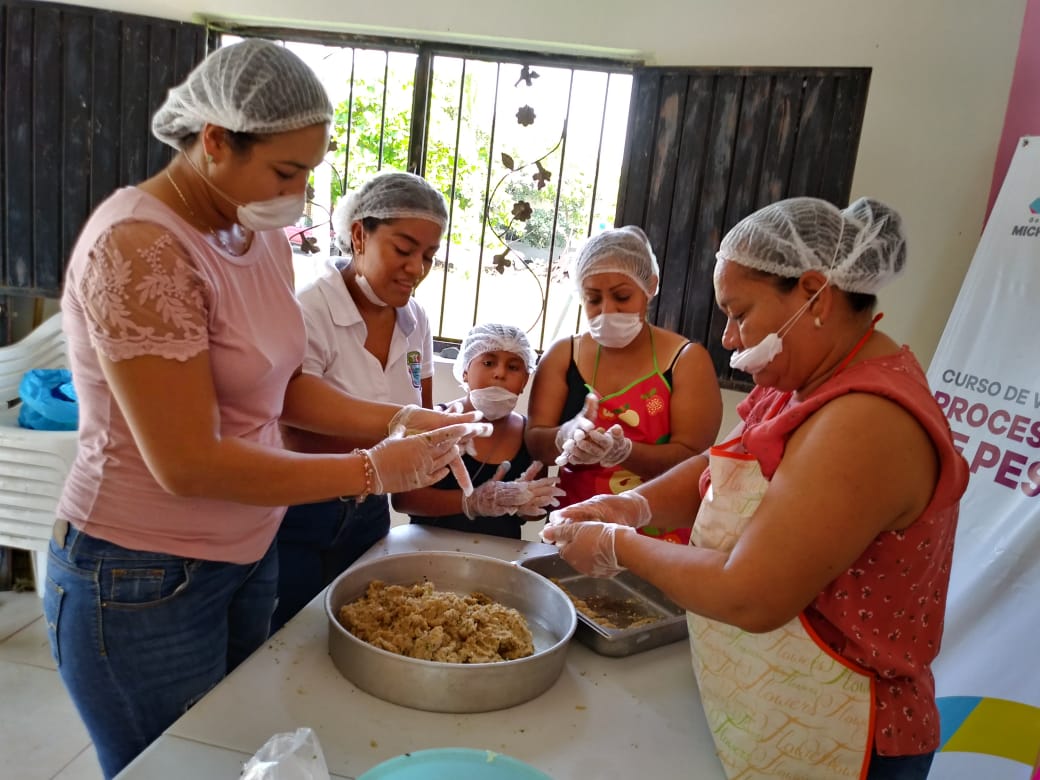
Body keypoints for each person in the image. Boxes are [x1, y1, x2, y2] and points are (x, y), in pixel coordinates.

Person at [45, 40, 487, 779]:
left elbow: (279, 385)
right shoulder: (140, 247)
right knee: (173, 766)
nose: (299, 191)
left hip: (245, 554)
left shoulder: (257, 236)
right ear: (214, 142)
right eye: (286, 171)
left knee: (236, 757)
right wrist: (371, 469)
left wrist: (399, 421)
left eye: (308, 172)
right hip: (140, 575)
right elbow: (186, 463)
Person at [542, 197, 970, 780]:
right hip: (765, 708)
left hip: (846, 733)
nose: (728, 336)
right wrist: (634, 503)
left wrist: (618, 544)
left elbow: (752, 595)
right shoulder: (799, 380)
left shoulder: (866, 421)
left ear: (813, 293)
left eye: (739, 313)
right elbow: (715, 472)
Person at [272, 171, 445, 632]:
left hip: (370, 508)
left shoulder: (415, 320)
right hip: (302, 506)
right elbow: (292, 406)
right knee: (288, 638)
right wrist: (403, 420)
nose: (417, 268)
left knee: (358, 627)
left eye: (429, 255)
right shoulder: (309, 306)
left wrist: (450, 437)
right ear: (358, 235)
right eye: (404, 250)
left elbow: (421, 418)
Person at [525, 225, 723, 542]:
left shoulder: (686, 361)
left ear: (650, 286)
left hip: (660, 538)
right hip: (575, 529)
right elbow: (535, 440)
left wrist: (625, 452)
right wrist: (565, 436)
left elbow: (693, 462)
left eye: (622, 296)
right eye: (592, 299)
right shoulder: (564, 355)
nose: (608, 311)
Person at [393, 323, 564, 538]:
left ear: (525, 381)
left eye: (513, 367)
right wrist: (471, 502)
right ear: (465, 371)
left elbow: (537, 512)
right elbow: (404, 500)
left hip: (498, 556)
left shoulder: (531, 435)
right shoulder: (435, 422)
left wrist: (523, 500)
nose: (500, 373)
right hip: (424, 549)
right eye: (488, 362)